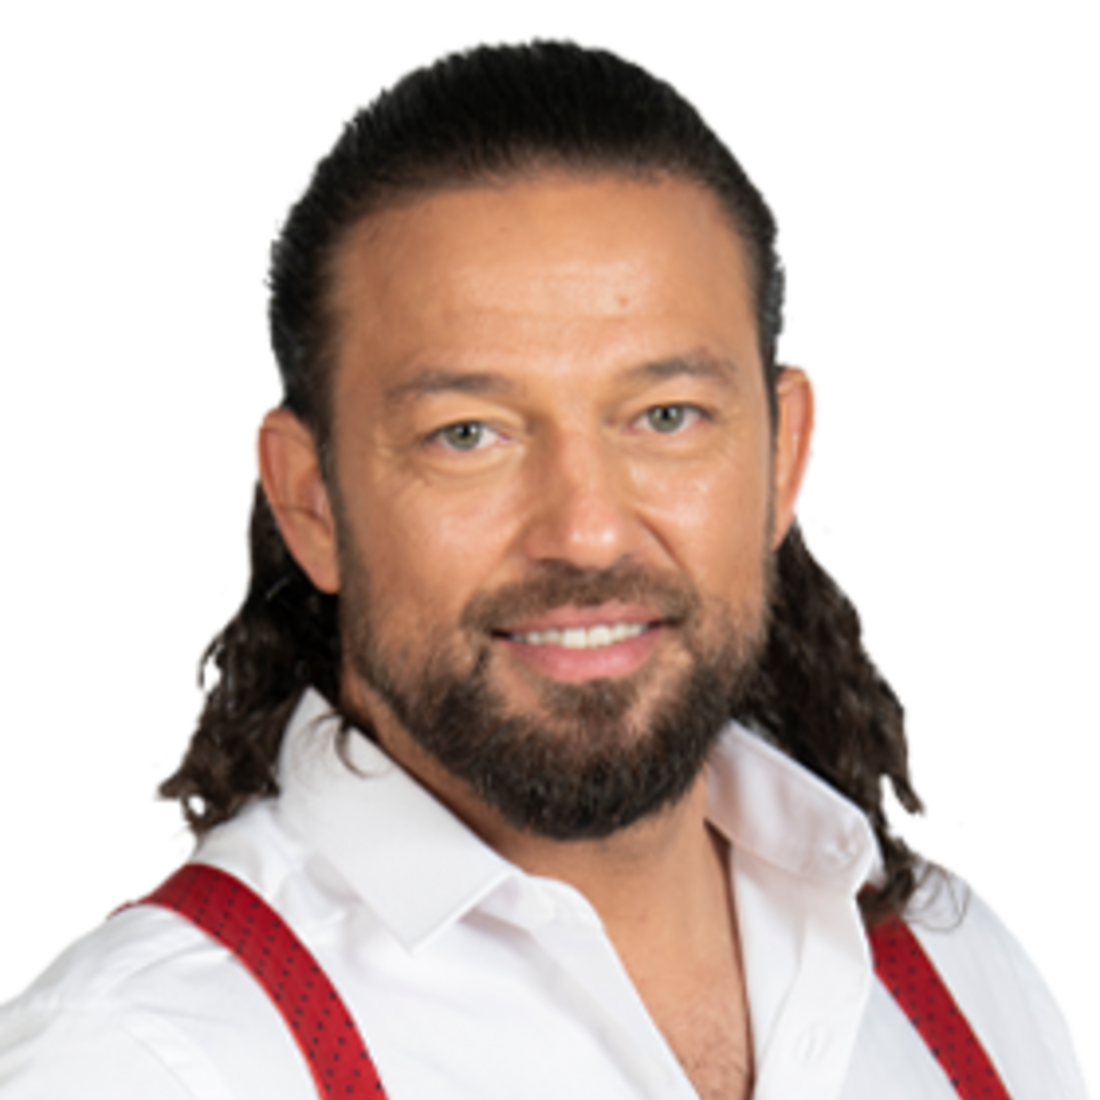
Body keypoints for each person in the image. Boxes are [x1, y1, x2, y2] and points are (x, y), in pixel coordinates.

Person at [1, 35, 1091, 1100]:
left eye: (666, 416)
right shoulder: (145, 1061)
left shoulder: (964, 963)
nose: (587, 532)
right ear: (311, 500)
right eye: (468, 434)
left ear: (785, 455)